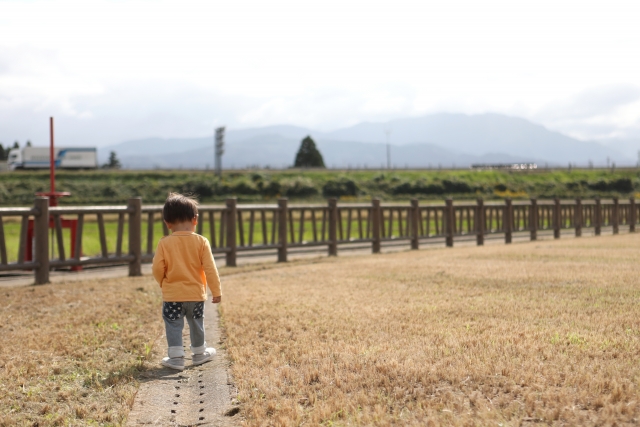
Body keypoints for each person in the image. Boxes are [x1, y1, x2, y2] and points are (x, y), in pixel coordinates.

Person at [152, 193, 222, 371]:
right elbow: (210, 269)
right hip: (195, 295)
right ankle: (199, 353)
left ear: (167, 223)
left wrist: (163, 282)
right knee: (196, 321)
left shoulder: (164, 243)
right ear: (195, 219)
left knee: (173, 324)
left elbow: (157, 269)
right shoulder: (201, 242)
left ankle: (176, 358)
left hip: (172, 295)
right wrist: (216, 291)